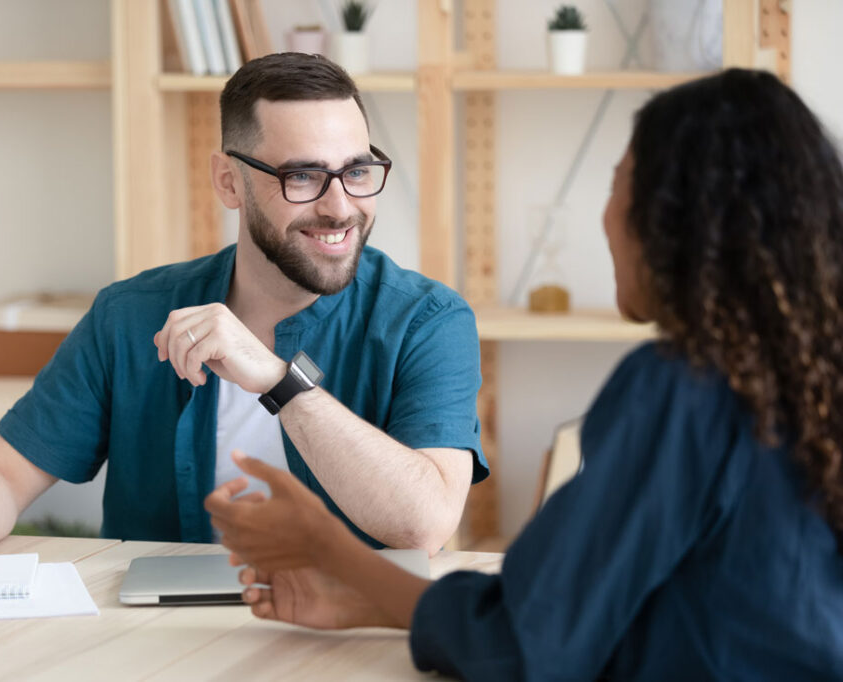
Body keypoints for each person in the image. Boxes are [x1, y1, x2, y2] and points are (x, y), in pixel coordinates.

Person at [205, 68, 843, 680]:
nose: (607, 217)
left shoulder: (683, 391)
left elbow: (529, 647)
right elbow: (634, 622)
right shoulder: (810, 380)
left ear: (675, 222)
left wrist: (326, 548)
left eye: (619, 184)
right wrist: (373, 601)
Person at [0, 53, 487, 573]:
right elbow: (1, 473)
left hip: (346, 645)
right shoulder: (129, 316)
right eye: (302, 176)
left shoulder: (427, 320)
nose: (340, 207)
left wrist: (278, 380)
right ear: (229, 182)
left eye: (357, 172)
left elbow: (424, 523)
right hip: (158, 648)